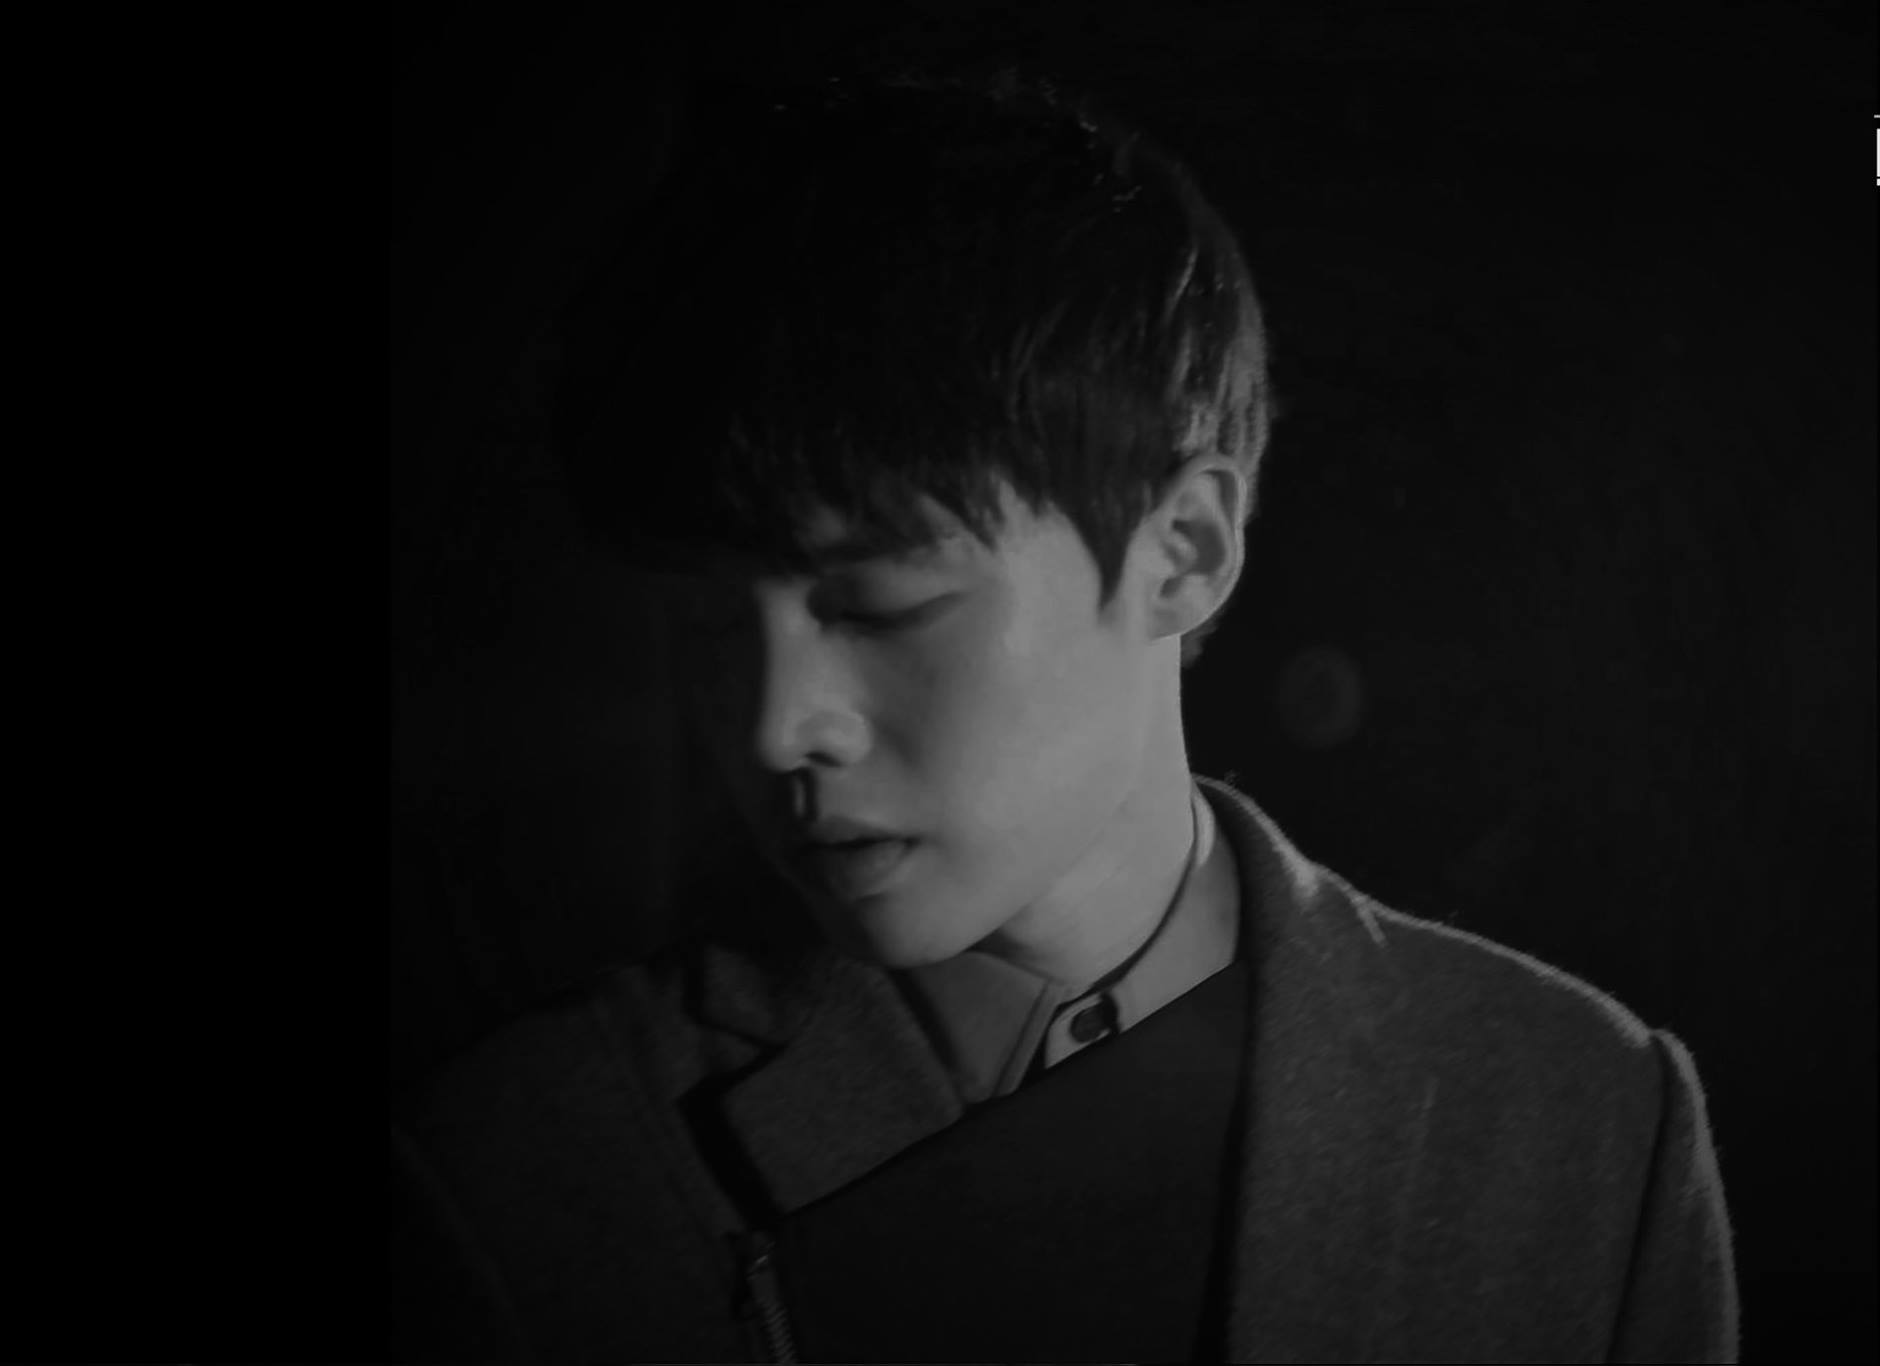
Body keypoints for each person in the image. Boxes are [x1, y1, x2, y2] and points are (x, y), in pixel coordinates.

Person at [391, 67, 1740, 1363]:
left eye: (881, 606)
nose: (774, 728)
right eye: (709, 630)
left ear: (1183, 551)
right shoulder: (533, 1171)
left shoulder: (1585, 1119)